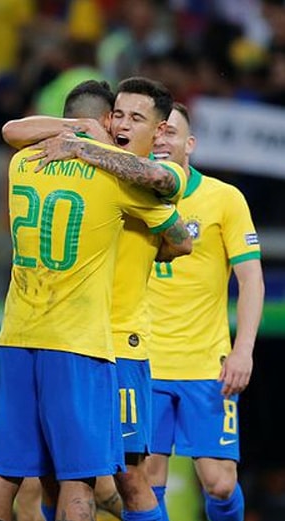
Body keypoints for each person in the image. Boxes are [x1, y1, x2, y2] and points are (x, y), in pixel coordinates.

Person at [0, 78, 188, 521]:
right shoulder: (118, 181)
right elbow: (181, 238)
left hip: (26, 335)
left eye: (136, 118)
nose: (124, 125)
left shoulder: (22, 164)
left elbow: (12, 130)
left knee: (10, 476)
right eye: (119, 116)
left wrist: (79, 141)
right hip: (82, 343)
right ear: (104, 120)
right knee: (77, 479)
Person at [145, 102, 263, 521]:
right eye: (155, 133)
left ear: (190, 144)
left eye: (171, 133)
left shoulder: (224, 198)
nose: (161, 140)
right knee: (145, 484)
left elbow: (250, 279)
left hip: (206, 363)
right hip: (145, 361)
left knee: (220, 482)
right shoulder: (130, 198)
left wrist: (243, 350)